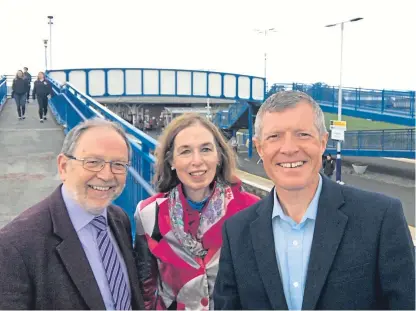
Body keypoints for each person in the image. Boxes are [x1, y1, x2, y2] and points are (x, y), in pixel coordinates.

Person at [213, 91, 415, 310]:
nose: (289, 148)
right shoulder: (236, 232)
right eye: (274, 136)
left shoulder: (381, 218)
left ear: (323, 142)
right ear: (260, 147)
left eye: (302, 134)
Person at [0, 118, 145, 310]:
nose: (107, 175)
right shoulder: (15, 245)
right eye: (93, 162)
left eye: (118, 164)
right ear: (64, 166)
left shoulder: (119, 219)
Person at [134, 113, 259, 310]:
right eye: (185, 151)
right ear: (171, 162)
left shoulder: (250, 210)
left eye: (206, 149)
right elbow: (145, 288)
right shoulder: (149, 213)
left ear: (219, 157)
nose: (197, 161)